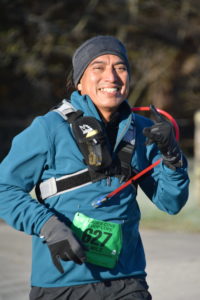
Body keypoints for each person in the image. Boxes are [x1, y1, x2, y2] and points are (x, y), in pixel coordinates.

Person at [0, 35, 189, 300]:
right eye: (98, 67)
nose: (111, 77)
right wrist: (49, 226)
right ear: (80, 81)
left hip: (127, 281)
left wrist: (173, 157)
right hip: (61, 283)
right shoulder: (49, 128)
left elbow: (171, 202)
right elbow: (4, 188)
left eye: (120, 68)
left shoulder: (144, 131)